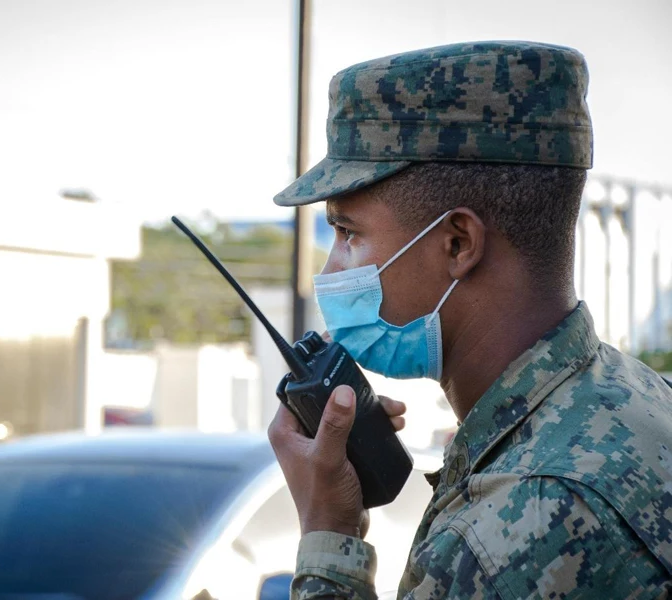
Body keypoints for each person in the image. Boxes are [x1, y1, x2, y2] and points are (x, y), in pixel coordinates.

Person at [267, 40, 672, 599]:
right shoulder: (642, 396)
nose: (333, 266)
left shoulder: (506, 536)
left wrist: (328, 537)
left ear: (458, 243)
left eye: (348, 232)